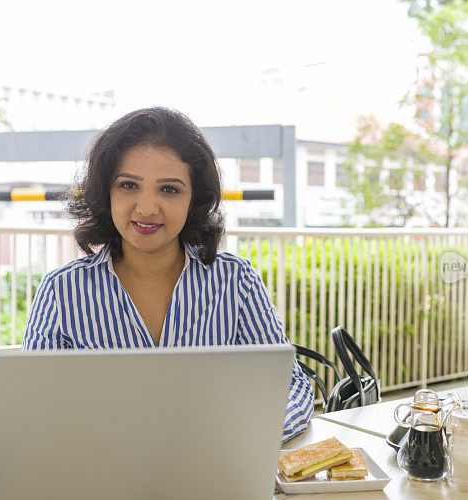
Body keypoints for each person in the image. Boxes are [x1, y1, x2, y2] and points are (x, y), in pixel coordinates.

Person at [22, 107, 313, 441]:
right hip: (99, 482)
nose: (147, 208)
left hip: (214, 475)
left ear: (195, 199)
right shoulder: (61, 292)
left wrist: (247, 436)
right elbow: (36, 409)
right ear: (106, 192)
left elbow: (290, 384)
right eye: (129, 185)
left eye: (170, 189)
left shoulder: (236, 281)